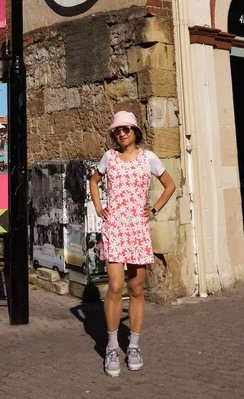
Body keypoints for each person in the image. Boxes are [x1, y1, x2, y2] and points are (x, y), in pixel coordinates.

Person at [90, 111, 176, 377]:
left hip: (137, 228)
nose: (122, 133)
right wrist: (98, 206)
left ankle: (135, 345)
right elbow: (93, 181)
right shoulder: (109, 158)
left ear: (135, 131)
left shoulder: (149, 158)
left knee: (137, 288)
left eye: (126, 129)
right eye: (117, 130)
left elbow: (170, 185)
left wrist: (154, 210)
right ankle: (113, 346)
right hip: (115, 227)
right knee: (115, 286)